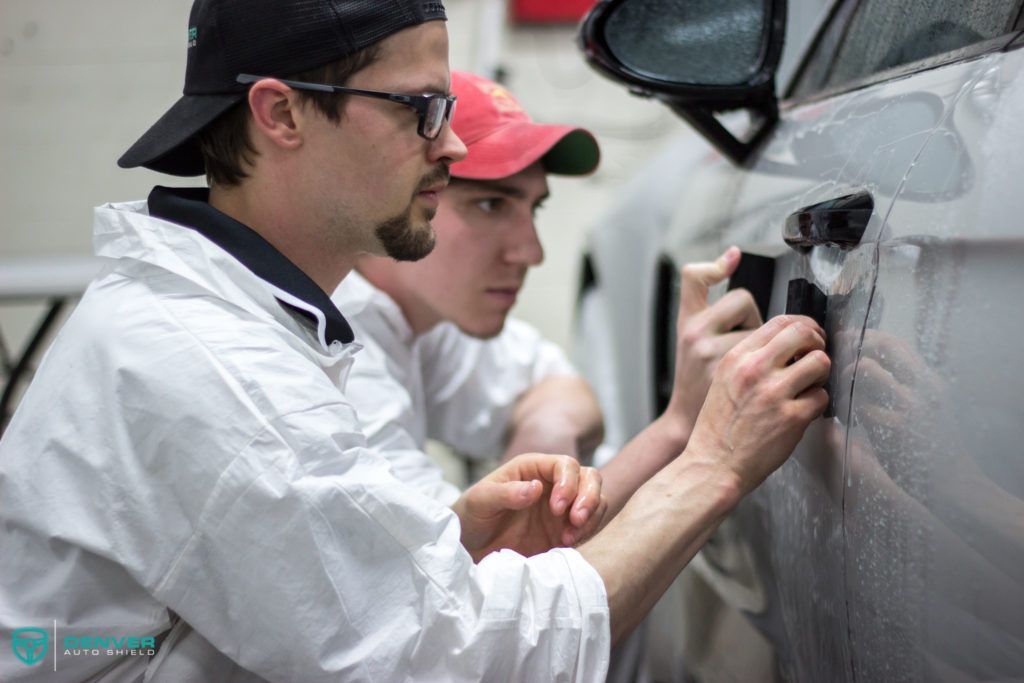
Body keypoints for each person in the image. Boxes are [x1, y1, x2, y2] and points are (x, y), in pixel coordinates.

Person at [0, 1, 831, 681]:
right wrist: (712, 463)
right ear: (281, 112)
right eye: (421, 109)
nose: (455, 143)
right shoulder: (216, 371)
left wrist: (449, 540)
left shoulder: (239, 321)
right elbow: (460, 659)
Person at [334, 70, 766, 523]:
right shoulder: (341, 358)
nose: (531, 251)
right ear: (399, 195)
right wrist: (681, 425)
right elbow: (464, 578)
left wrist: (547, 429)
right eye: (490, 204)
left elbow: (557, 383)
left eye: (533, 208)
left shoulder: (419, 323)